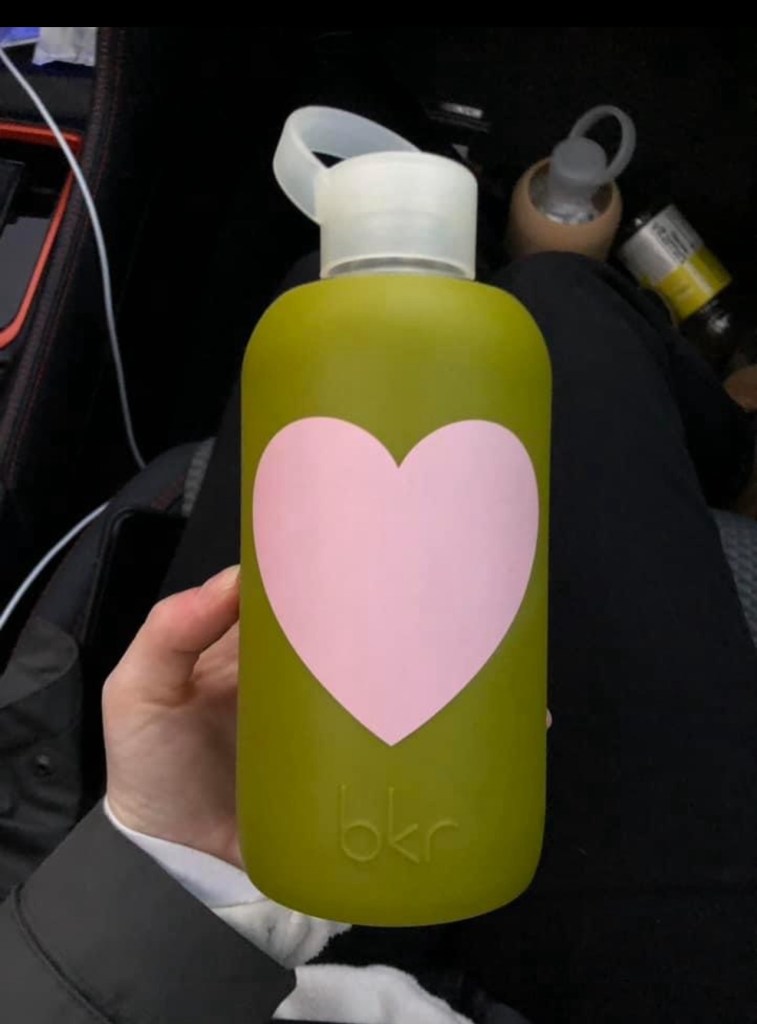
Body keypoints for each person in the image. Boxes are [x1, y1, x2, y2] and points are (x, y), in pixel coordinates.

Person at [1, 252, 756, 1023]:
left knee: (326, 293)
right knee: (560, 298)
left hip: (204, 952)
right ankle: (731, 438)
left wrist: (177, 861)